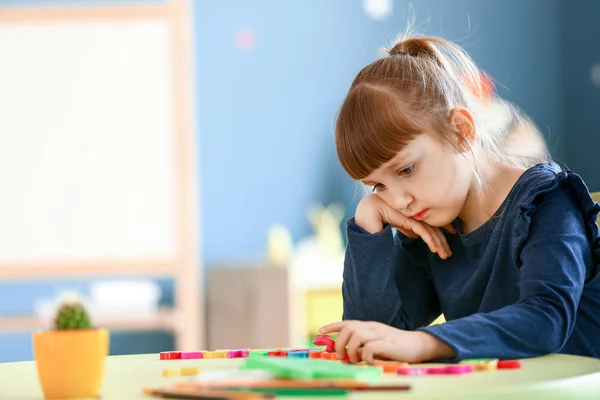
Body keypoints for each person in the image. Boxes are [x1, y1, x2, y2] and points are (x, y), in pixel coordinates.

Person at [318, 34, 600, 364]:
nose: (399, 201)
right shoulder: (431, 223)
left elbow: (545, 321)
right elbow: (374, 336)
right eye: (377, 185)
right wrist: (368, 221)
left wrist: (423, 343)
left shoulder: (547, 200)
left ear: (460, 131)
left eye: (407, 170)